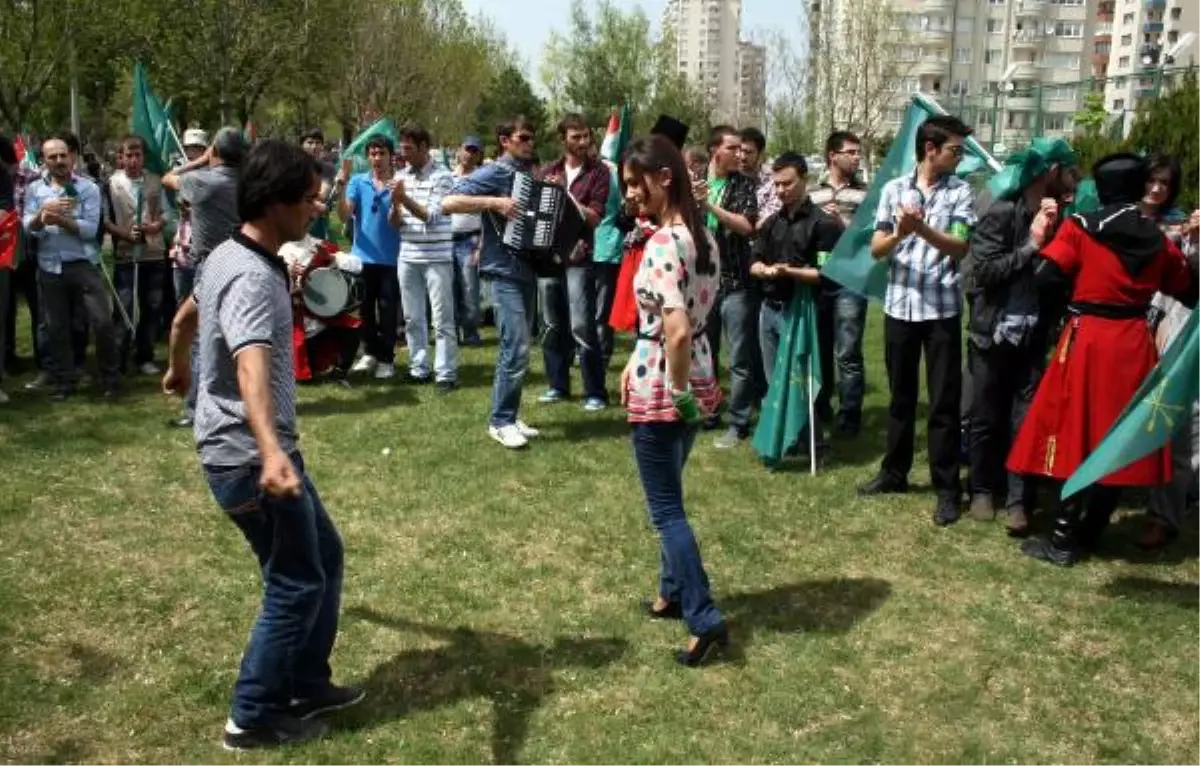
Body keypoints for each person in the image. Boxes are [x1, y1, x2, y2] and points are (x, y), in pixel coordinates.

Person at [162, 140, 363, 750]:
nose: (315, 204)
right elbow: (252, 367)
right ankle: (251, 714)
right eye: (306, 195)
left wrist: (178, 369)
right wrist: (273, 452)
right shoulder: (250, 274)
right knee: (295, 579)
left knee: (322, 555)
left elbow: (183, 319)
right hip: (251, 459)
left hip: (247, 452)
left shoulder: (229, 255)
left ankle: (304, 680)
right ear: (275, 200)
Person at [1008, 153, 1197, 567]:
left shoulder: (1080, 229)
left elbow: (1046, 278)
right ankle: (1090, 531)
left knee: (1074, 435)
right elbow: (1186, 287)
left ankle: (1061, 540)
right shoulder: (1158, 240)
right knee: (1117, 437)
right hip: (1133, 343)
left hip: (1089, 340)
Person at [619, 133, 727, 666]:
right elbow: (679, 322)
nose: (631, 196)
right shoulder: (702, 237)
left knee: (666, 509)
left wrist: (675, 388)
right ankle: (671, 591)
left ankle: (704, 618)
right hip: (693, 373)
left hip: (670, 380)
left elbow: (676, 330)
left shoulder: (664, 243)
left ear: (665, 177)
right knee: (672, 492)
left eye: (636, 184)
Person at [857, 116, 977, 526]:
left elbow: (960, 246)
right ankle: (895, 473)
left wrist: (920, 227)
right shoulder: (894, 189)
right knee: (900, 398)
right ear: (930, 148)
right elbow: (877, 247)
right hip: (899, 309)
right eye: (954, 150)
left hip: (941, 311)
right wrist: (900, 234)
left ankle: (947, 488)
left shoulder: (961, 192)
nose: (959, 157)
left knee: (943, 403)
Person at [961, 138, 1077, 535]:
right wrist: (1032, 245)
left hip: (1033, 334)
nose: (1075, 179)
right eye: (1069, 170)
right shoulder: (1000, 212)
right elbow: (983, 273)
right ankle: (981, 489)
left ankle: (1018, 501)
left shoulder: (1064, 216)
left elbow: (1062, 277)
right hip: (992, 331)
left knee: (1024, 419)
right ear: (1049, 172)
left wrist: (1055, 232)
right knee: (986, 414)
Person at [441, 116, 542, 449]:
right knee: (515, 345)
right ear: (504, 141)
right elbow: (449, 202)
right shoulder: (496, 172)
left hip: (526, 268)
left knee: (519, 345)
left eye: (531, 137)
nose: (529, 142)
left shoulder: (526, 173)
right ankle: (500, 421)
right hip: (502, 271)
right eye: (523, 137)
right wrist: (494, 202)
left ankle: (509, 415)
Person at [750, 152, 842, 457]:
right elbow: (755, 261)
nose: (780, 191)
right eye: (776, 185)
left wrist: (789, 271)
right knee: (775, 379)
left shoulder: (824, 224)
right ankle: (786, 436)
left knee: (803, 379)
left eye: (787, 184)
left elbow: (826, 275)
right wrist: (761, 268)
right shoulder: (771, 223)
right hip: (770, 308)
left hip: (804, 311)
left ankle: (814, 440)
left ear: (804, 179)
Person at [22, 136, 120, 400]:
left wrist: (62, 221)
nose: (59, 161)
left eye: (63, 155)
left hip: (83, 264)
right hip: (50, 267)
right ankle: (66, 381)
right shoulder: (34, 190)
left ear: (72, 157)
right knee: (57, 327)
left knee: (102, 323)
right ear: (44, 160)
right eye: (52, 157)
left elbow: (90, 230)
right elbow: (28, 227)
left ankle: (110, 379)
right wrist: (42, 218)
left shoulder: (88, 188)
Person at [163, 126, 245, 427]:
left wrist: (199, 160)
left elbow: (168, 177)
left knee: (199, 339)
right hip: (243, 265)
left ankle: (195, 407)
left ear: (216, 152)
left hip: (210, 267)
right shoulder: (249, 182)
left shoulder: (203, 180)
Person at [1139, 155, 1200, 550]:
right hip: (1173, 331)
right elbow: (1172, 280)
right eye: (1153, 181)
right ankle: (1159, 510)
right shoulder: (1178, 231)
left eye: (1166, 182)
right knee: (1169, 424)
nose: (1158, 189)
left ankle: (1168, 513)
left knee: (1189, 430)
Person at [536, 113, 611, 411]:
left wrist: (563, 195)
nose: (583, 142)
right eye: (576, 137)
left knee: (582, 325)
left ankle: (595, 391)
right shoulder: (547, 171)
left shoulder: (599, 173)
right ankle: (558, 385)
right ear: (562, 139)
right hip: (550, 257)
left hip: (580, 257)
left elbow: (593, 218)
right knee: (552, 325)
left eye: (586, 136)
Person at [700, 125, 760, 448]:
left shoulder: (745, 185)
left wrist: (709, 206)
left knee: (739, 358)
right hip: (703, 284)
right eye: (733, 148)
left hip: (736, 282)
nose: (740, 154)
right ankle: (708, 413)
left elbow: (747, 226)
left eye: (742, 149)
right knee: (705, 353)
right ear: (715, 151)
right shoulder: (695, 181)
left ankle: (739, 423)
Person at [389, 122, 458, 391]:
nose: (404, 153)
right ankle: (419, 368)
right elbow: (396, 223)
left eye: (409, 148)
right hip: (408, 254)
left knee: (442, 319)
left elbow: (430, 216)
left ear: (424, 147)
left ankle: (445, 373)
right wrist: (395, 206)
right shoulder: (401, 175)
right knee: (412, 318)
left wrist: (402, 198)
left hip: (437, 256)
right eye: (402, 147)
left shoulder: (443, 176)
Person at [809, 131, 870, 437]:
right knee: (818, 348)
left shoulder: (865, 194)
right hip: (818, 279)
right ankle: (820, 408)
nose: (856, 157)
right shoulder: (812, 193)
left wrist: (843, 223)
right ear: (833, 156)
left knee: (847, 351)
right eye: (851, 151)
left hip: (850, 279)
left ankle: (850, 414)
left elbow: (872, 240)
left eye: (858, 152)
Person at [335, 135, 401, 380]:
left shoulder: (399, 182)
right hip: (363, 257)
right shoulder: (358, 182)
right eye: (372, 154)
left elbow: (399, 221)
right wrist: (341, 189)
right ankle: (370, 352)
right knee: (364, 310)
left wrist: (398, 198)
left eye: (381, 153)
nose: (376, 159)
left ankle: (387, 359)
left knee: (388, 310)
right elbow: (344, 216)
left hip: (392, 259)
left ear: (390, 155)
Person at [105, 135, 171, 376]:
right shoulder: (111, 184)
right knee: (124, 306)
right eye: (128, 155)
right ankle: (119, 357)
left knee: (152, 307)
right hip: (126, 253)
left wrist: (157, 225)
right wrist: (123, 233)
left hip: (153, 252)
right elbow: (105, 220)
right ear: (121, 158)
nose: (133, 160)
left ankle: (144, 355)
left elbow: (167, 212)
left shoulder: (154, 181)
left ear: (143, 157)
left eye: (138, 155)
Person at [280, 235, 362, 383]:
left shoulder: (318, 245)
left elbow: (357, 265)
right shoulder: (276, 248)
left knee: (352, 330)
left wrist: (332, 258)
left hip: (323, 316)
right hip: (294, 319)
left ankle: (339, 373)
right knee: (305, 372)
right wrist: (287, 274)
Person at [451, 136, 485, 347]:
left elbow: (487, 216)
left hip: (470, 240)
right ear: (459, 150)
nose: (470, 154)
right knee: (449, 290)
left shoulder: (482, 179)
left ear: (479, 155)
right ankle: (451, 332)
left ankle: (471, 333)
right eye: (467, 149)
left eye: (475, 151)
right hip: (446, 240)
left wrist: (481, 244)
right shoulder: (446, 177)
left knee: (470, 291)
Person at [300, 128, 337, 241]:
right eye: (310, 143)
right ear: (301, 145)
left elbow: (323, 194)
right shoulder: (293, 167)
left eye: (318, 143)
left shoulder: (328, 168)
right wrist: (315, 203)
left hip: (319, 225)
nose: (314, 146)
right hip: (296, 220)